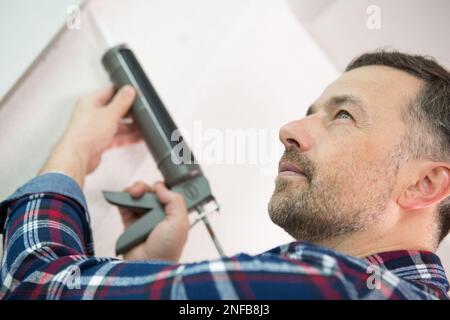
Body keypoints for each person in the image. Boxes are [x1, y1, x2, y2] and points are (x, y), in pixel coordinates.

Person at [0, 50, 449, 299]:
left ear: (425, 184)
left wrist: (75, 149)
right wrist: (149, 272)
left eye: (344, 116)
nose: (289, 130)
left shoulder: (332, 284)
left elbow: (33, 284)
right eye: (309, 113)